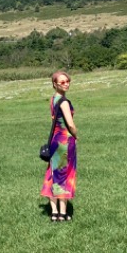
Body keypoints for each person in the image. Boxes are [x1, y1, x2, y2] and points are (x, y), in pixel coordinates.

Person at [41, 70, 78, 222]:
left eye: (68, 81)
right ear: (55, 84)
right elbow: (70, 124)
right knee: (64, 175)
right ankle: (62, 214)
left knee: (52, 174)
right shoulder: (64, 102)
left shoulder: (53, 99)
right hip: (64, 141)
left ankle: (53, 212)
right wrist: (76, 135)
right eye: (62, 82)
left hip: (54, 141)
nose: (66, 84)